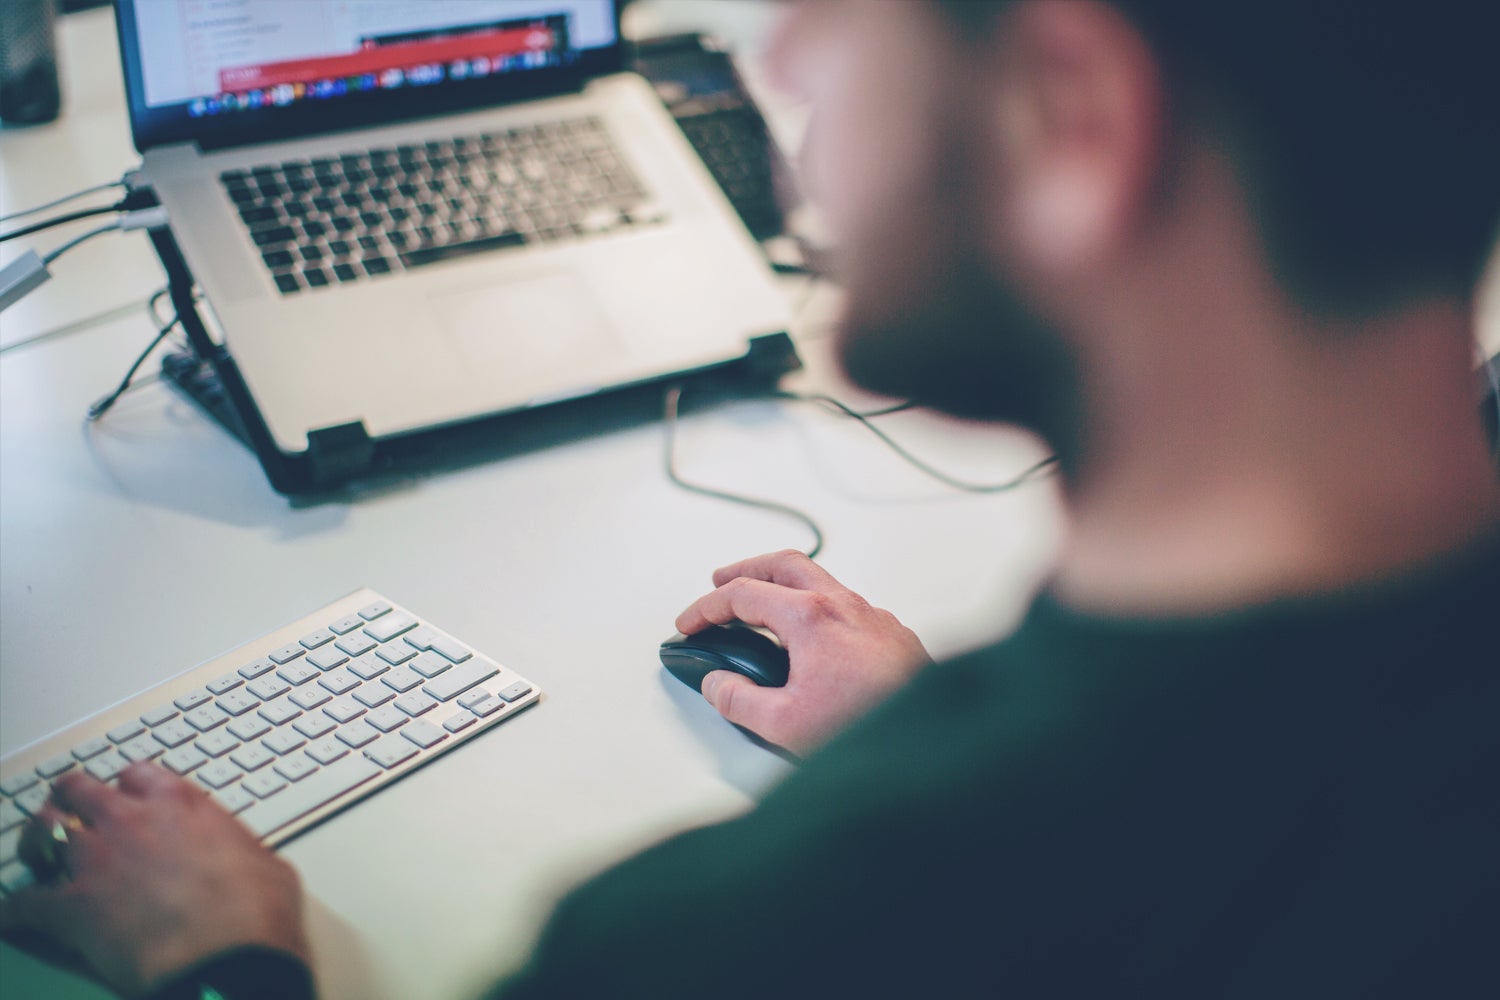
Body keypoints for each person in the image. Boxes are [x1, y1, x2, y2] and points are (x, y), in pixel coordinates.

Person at [5, 0, 1499, 996]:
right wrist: (927, 732)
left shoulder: (742, 946)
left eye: (846, 11)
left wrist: (225, 967)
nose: (777, 60)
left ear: (1074, 118)